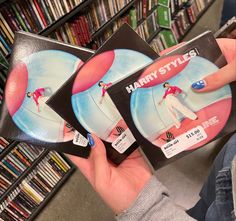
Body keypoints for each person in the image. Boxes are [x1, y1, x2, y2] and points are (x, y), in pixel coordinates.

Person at [69, 38, 236, 221]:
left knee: (182, 110)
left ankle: (191, 117)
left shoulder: (170, 88)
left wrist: (148, 210)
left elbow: (176, 92)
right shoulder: (161, 90)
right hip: (227, 173)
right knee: (205, 206)